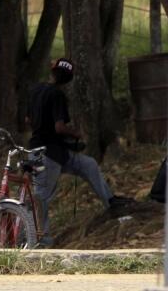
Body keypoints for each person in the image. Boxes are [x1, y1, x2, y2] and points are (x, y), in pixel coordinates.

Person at [28, 58, 131, 247]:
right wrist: (75, 132)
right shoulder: (57, 95)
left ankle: (111, 201)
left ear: (52, 72)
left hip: (49, 152)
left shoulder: (36, 91)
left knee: (88, 164)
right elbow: (59, 127)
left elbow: (28, 119)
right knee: (41, 196)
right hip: (48, 155)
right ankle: (41, 240)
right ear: (68, 79)